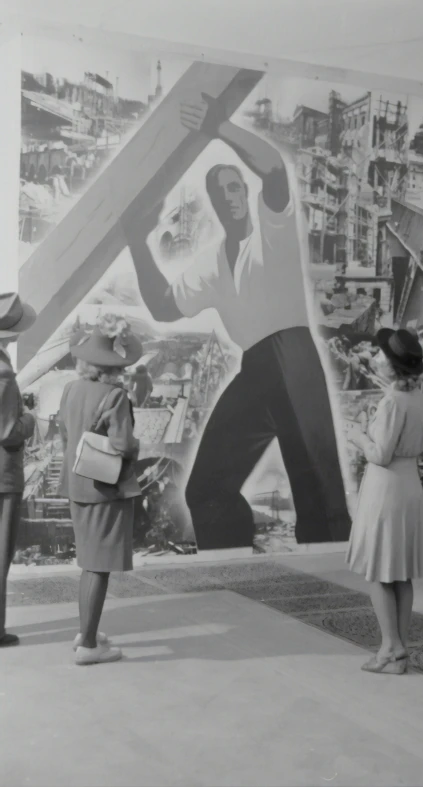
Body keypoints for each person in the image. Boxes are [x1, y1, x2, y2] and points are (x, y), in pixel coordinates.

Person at [122, 91, 350, 550]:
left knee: (320, 498)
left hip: (294, 357)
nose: (229, 197)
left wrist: (217, 125)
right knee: (206, 488)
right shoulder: (211, 264)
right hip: (258, 368)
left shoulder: (273, 230)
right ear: (212, 202)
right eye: (219, 192)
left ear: (245, 193)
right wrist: (136, 243)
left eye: (234, 188)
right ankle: (234, 570)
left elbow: (273, 168)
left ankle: (335, 589)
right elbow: (164, 305)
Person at [346, 328, 423, 674]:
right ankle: (398, 653)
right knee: (401, 574)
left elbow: (379, 455)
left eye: (382, 354)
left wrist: (357, 436)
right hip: (410, 486)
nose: (377, 357)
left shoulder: (393, 400)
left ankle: (389, 648)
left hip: (386, 490)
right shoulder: (418, 399)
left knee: (379, 572)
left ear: (393, 366)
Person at [58, 315, 142, 665]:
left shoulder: (70, 389)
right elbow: (123, 445)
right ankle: (89, 646)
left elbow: (65, 435)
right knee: (98, 567)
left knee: (88, 563)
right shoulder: (116, 396)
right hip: (105, 489)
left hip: (76, 483)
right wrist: (137, 444)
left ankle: (85, 632)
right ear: (115, 365)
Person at [0, 293, 37, 647]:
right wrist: (30, 418)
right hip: (2, 474)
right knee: (0, 552)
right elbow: (9, 431)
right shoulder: (3, 371)